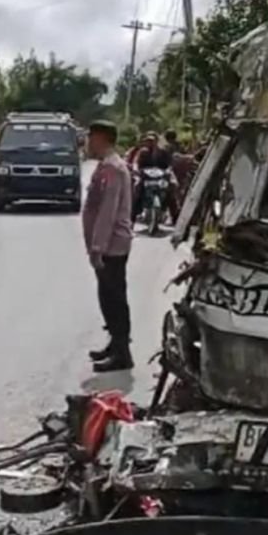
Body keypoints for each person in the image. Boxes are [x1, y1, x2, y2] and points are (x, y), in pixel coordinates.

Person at [83, 120, 134, 373]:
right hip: (109, 244)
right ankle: (115, 344)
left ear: (101, 138)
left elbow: (107, 212)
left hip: (112, 245)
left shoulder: (113, 169)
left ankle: (122, 353)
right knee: (108, 296)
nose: (87, 142)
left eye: (90, 137)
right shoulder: (106, 166)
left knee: (114, 299)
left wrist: (97, 247)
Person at [133, 131, 180, 223]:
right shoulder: (143, 152)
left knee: (172, 187)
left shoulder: (163, 152)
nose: (150, 143)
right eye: (148, 141)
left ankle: (175, 216)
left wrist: (168, 170)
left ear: (157, 141)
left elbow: (170, 164)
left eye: (152, 140)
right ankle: (133, 215)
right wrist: (136, 170)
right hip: (145, 176)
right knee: (137, 187)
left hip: (160, 176)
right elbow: (136, 162)